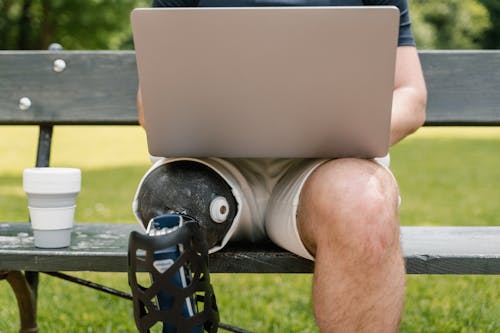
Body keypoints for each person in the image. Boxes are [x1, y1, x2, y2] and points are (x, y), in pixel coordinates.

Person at [135, 0, 427, 331]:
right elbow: (151, 106)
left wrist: (346, 127)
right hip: (215, 167)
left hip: (324, 167)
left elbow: (410, 97)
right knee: (171, 200)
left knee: (365, 204)